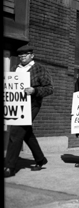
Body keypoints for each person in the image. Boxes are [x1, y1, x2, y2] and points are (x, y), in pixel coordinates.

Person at [4, 45, 54, 178]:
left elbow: (49, 88)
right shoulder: (15, 69)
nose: (22, 57)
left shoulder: (40, 69)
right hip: (17, 104)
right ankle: (40, 159)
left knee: (16, 132)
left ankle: (9, 166)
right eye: (20, 55)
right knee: (26, 133)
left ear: (32, 55)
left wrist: (35, 90)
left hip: (32, 104)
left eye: (25, 55)